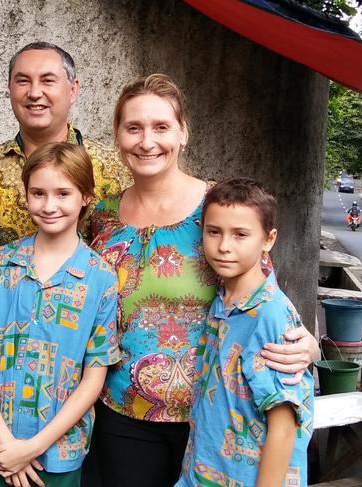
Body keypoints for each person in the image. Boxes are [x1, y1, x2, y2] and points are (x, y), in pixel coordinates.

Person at [87, 74, 318, 487]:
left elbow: (263, 295)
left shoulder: (219, 209)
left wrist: (306, 344)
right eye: (133, 128)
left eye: (161, 127)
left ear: (183, 132)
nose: (147, 141)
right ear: (117, 135)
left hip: (214, 421)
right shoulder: (101, 219)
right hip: (124, 415)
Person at [0, 143, 121, 487]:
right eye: (38, 193)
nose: (49, 205)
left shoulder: (100, 279)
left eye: (63, 193)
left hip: (54, 454)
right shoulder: (0, 265)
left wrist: (33, 448)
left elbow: (93, 378)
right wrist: (5, 443)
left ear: (85, 196)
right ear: (26, 195)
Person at [0, 42, 130, 287]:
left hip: (90, 316)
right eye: (23, 81)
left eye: (48, 81)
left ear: (73, 89)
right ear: (10, 89)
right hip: (7, 318)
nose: (34, 92)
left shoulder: (113, 166)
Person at [175, 177, 314, 487]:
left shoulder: (269, 315)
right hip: (204, 471)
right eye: (214, 232)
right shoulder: (224, 299)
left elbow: (283, 425)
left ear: (268, 239)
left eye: (240, 235)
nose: (224, 246)